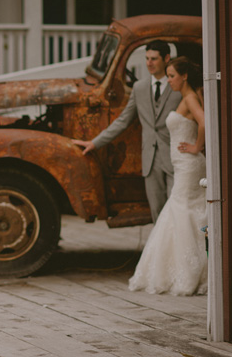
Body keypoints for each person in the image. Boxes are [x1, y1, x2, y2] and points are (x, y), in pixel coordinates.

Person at [73, 40, 182, 222]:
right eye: (147, 58)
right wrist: (94, 143)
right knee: (157, 213)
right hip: (150, 160)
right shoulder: (139, 88)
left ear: (166, 58)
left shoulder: (178, 88)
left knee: (176, 209)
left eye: (154, 59)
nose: (149, 63)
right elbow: (122, 121)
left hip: (176, 157)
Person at [128, 56, 207, 295]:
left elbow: (204, 122)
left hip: (188, 163)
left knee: (180, 209)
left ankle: (189, 271)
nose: (169, 79)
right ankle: (184, 267)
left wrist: (196, 147)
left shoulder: (190, 97)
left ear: (184, 77)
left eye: (172, 75)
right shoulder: (188, 97)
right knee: (184, 211)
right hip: (183, 163)